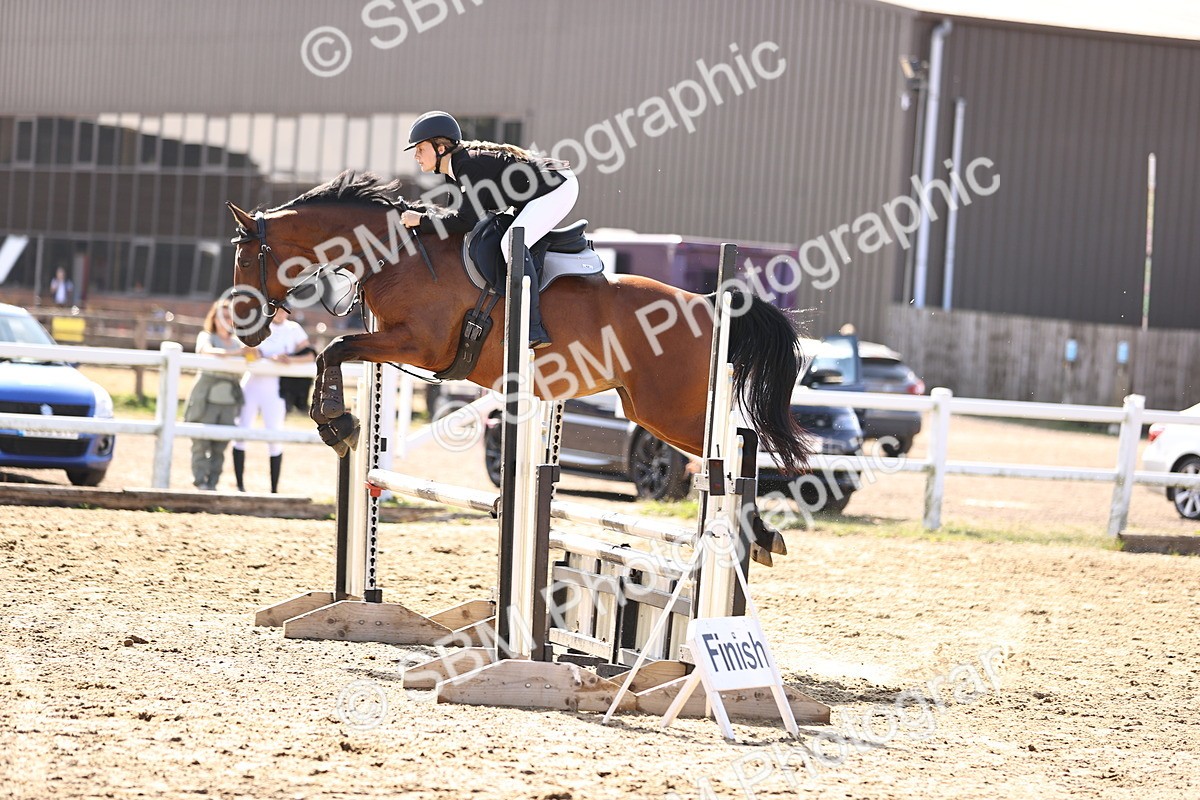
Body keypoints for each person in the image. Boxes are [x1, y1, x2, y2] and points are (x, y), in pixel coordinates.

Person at [400, 111, 578, 348]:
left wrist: (421, 221)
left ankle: (532, 327)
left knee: (510, 244)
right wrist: (420, 218)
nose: (416, 155)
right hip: (538, 192)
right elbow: (454, 219)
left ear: (440, 148)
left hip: (557, 188)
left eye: (420, 149)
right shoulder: (455, 171)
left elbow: (465, 221)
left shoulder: (468, 167)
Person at [231, 307, 312, 493]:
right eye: (276, 309)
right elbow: (245, 349)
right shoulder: (258, 325)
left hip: (275, 388)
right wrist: (255, 353)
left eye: (284, 309)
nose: (280, 312)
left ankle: (274, 489)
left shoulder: (293, 329)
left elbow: (309, 354)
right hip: (251, 383)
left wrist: (289, 359)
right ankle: (239, 485)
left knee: (275, 434)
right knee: (242, 429)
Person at [183, 300, 246, 490]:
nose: (225, 320)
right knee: (201, 441)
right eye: (222, 316)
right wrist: (235, 353)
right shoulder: (206, 337)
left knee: (220, 445)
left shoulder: (237, 341)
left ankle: (213, 482)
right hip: (206, 397)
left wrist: (250, 352)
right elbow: (206, 352)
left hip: (228, 399)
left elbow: (250, 358)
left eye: (229, 316)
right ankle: (200, 480)